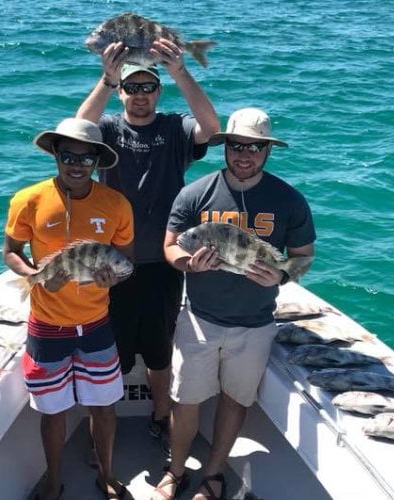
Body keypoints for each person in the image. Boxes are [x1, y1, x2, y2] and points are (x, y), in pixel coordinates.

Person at [158, 108, 315, 500]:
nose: (245, 155)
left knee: (234, 400)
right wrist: (188, 265)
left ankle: (212, 476)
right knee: (186, 400)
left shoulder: (289, 199)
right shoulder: (196, 193)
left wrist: (280, 275)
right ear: (225, 147)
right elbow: (170, 246)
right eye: (237, 146)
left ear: (267, 151)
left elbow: (302, 256)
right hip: (199, 320)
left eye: (255, 148)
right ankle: (174, 471)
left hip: (256, 323)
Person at [74, 36, 220, 441]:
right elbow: (77, 128)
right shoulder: (106, 128)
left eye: (148, 87)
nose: (140, 95)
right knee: (111, 353)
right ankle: (108, 426)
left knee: (159, 353)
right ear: (121, 92)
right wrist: (105, 78)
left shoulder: (175, 127)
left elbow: (212, 128)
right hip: (112, 260)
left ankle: (159, 416)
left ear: (158, 91)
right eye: (131, 87)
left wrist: (180, 70)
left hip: (163, 260)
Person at [5, 118, 134, 500]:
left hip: (96, 324)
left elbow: (126, 261)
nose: (76, 164)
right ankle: (53, 479)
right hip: (46, 326)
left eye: (85, 157)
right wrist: (34, 275)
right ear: (55, 156)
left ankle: (106, 475)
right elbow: (10, 252)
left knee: (104, 407)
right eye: (68, 156)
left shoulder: (115, 204)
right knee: (51, 411)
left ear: (96, 160)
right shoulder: (27, 199)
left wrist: (116, 278)